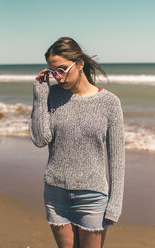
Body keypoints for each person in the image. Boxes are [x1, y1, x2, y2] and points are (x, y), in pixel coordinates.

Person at [29, 37, 125, 248]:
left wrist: (114, 204)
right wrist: (40, 94)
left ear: (79, 63)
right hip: (55, 193)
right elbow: (39, 139)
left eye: (62, 69)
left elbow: (116, 158)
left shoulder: (109, 102)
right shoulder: (50, 95)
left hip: (92, 197)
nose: (58, 77)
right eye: (53, 72)